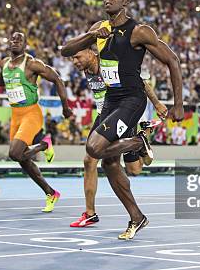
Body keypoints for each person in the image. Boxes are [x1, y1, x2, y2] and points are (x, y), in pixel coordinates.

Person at [61, 0, 184, 239]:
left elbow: (172, 60)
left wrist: (178, 103)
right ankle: (137, 217)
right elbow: (65, 50)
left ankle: (139, 141)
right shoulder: (99, 29)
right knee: (108, 162)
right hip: (111, 100)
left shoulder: (139, 31)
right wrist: (92, 35)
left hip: (132, 99)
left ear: (126, 2)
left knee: (94, 149)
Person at [0, 31, 72, 212]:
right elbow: (0, 81)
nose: (15, 41)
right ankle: (51, 193)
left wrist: (65, 107)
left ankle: (44, 144)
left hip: (31, 113)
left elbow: (57, 78)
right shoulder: (4, 63)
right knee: (23, 160)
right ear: (8, 43)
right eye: (13, 39)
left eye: (20, 40)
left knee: (14, 153)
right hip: (15, 115)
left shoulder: (32, 64)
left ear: (25, 45)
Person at [69, 47, 167, 227]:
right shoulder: (86, 69)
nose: (74, 62)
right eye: (72, 59)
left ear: (92, 53)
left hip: (122, 113)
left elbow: (141, 83)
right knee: (90, 159)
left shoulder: (108, 65)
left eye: (77, 57)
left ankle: (139, 140)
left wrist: (157, 102)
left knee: (134, 169)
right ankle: (90, 213)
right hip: (104, 115)